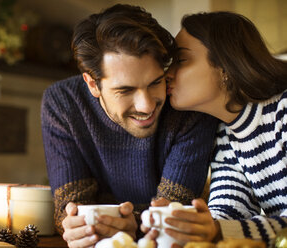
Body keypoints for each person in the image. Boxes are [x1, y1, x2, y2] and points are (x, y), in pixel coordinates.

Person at [41, 4, 218, 248]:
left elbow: (172, 214)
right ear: (92, 84)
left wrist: (133, 224)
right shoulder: (62, 103)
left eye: (156, 82)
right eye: (125, 90)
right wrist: (74, 225)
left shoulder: (189, 108)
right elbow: (69, 209)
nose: (146, 106)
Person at [155, 11, 287, 247]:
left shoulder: (283, 110)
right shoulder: (226, 133)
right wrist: (194, 225)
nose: (168, 74)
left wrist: (218, 231)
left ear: (225, 66)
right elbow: (230, 209)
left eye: (181, 60)